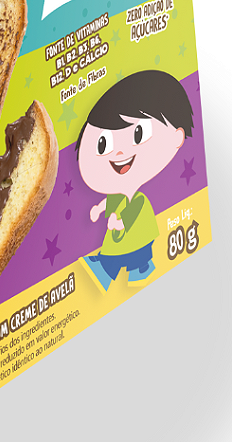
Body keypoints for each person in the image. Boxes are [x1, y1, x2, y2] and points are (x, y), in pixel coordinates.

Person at [76, 70, 194, 290]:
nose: (120, 153)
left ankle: (120, 269)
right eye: (103, 144)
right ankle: (121, 268)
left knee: (127, 255)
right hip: (123, 235)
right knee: (121, 253)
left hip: (136, 236)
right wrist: (99, 209)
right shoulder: (117, 196)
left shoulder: (138, 201)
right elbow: (110, 202)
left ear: (177, 137)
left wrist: (119, 222)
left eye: (138, 133)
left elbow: (132, 213)